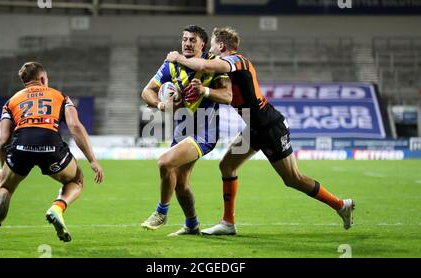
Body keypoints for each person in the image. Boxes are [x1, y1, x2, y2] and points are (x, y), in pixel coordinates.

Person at [166, 27, 354, 235]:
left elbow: (203, 64)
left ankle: (340, 205)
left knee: (293, 179)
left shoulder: (237, 61)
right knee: (227, 166)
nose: (210, 50)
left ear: (221, 46)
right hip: (254, 127)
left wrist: (178, 58)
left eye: (211, 45)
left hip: (269, 126)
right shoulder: (227, 70)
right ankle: (228, 223)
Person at [0, 62, 103, 250]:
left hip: (20, 146)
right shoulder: (60, 96)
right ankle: (58, 207)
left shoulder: (11, 102)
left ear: (24, 81)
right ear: (43, 79)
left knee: (6, 188)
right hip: (50, 145)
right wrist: (92, 160)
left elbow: (3, 140)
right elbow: (75, 127)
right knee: (76, 180)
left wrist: (3, 168)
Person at [140, 25, 232, 236]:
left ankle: (161, 212)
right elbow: (147, 92)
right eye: (184, 39)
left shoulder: (213, 64)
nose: (187, 43)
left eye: (192, 40)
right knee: (181, 184)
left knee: (165, 162)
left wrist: (205, 91)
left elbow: (227, 96)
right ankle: (192, 225)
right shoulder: (170, 67)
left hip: (204, 132)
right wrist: (161, 105)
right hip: (182, 130)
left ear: (203, 44)